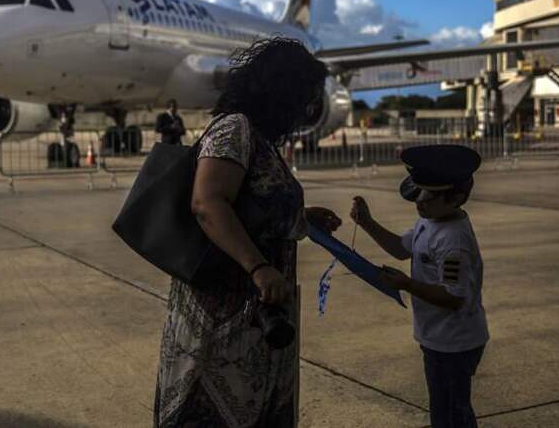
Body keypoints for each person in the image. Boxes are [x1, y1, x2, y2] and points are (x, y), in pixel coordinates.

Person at [154, 37, 341, 428]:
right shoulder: (234, 130)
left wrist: (300, 218)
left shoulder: (259, 137)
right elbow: (208, 204)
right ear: (280, 90)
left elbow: (252, 204)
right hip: (224, 316)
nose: (306, 108)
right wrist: (258, 267)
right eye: (303, 96)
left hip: (257, 315)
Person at [350, 144, 488, 428]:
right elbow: (401, 248)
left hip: (454, 343)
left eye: (430, 196)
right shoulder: (431, 220)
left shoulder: (453, 241)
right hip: (437, 337)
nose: (419, 201)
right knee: (450, 409)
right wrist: (367, 223)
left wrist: (406, 284)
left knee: (450, 414)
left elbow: (453, 297)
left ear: (457, 198)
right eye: (419, 192)